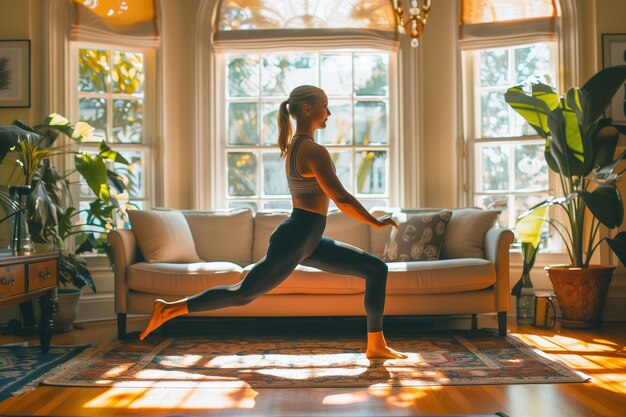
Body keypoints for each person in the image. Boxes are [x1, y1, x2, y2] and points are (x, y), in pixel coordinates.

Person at [139, 85, 406, 359]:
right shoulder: (313, 151)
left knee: (376, 269)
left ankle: (376, 345)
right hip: (298, 237)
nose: (329, 112)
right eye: (324, 105)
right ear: (307, 109)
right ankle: (169, 310)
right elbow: (341, 198)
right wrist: (375, 222)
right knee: (244, 293)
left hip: (307, 239)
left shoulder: (296, 146)